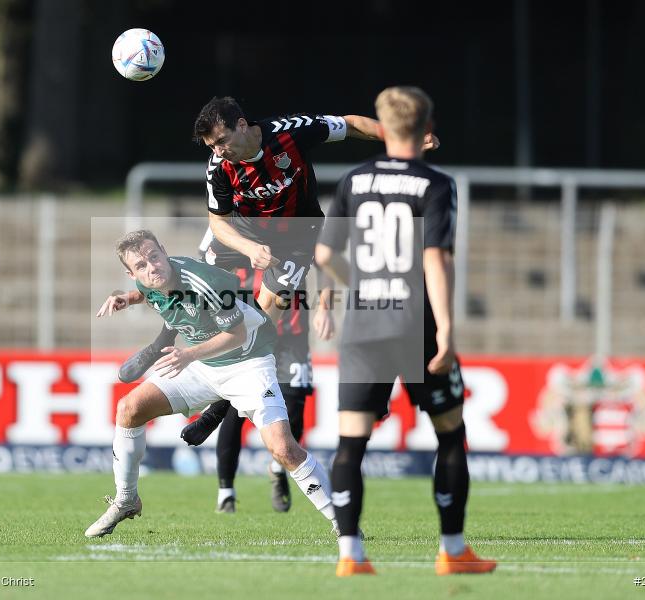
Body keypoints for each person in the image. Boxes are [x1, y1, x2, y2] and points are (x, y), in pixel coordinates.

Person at [314, 86, 497, 577]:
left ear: (381, 124)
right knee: (450, 435)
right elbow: (436, 259)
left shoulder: (354, 179)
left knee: (351, 443)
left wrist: (364, 286)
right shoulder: (436, 183)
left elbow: (326, 255)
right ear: (426, 126)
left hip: (365, 323)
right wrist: (449, 332)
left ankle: (351, 556)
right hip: (416, 321)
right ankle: (453, 550)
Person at [115, 96, 387, 384]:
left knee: (265, 321)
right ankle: (161, 344)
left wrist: (400, 138)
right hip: (243, 231)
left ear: (242, 125)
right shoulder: (218, 167)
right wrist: (249, 247)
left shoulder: (291, 132)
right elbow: (217, 222)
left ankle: (227, 391)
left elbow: (351, 124)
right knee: (194, 281)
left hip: (297, 236)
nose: (219, 150)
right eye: (212, 146)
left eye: (222, 140)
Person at [85, 230, 339, 538]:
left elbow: (237, 335)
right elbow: (145, 288)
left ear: (164, 251)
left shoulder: (204, 281)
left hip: (248, 363)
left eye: (154, 256)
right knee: (129, 409)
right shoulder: (146, 279)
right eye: (141, 265)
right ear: (132, 273)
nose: (151, 267)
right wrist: (127, 297)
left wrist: (188, 354)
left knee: (284, 449)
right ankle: (126, 499)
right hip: (201, 364)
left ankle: (343, 523)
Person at [179, 262, 317, 513]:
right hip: (250, 333)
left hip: (291, 336)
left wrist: (325, 307)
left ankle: (278, 467)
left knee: (295, 406)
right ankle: (226, 492)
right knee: (235, 411)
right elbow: (206, 272)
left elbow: (323, 257)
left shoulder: (296, 232)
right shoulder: (229, 235)